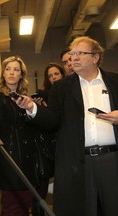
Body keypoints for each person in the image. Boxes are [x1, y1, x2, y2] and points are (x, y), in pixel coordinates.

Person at [13, 36, 118, 216]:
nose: (73, 57)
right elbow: (52, 120)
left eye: (79, 53)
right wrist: (32, 108)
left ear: (95, 57)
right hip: (79, 163)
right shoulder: (61, 88)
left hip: (114, 161)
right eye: (72, 54)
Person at [0, 56, 38, 216]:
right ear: (3, 73)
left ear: (21, 74)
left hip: (27, 156)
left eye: (16, 70)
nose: (11, 73)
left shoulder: (25, 96)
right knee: (10, 204)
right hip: (8, 156)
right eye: (8, 69)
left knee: (26, 202)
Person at [31, 62, 65, 215]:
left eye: (56, 74)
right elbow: (44, 122)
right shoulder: (44, 94)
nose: (53, 78)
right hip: (47, 147)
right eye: (50, 76)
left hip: (65, 144)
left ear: (62, 74)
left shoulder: (71, 91)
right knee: (41, 188)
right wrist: (41, 109)